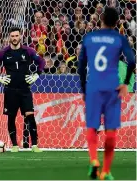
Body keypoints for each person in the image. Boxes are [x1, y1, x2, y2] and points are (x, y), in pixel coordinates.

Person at [77, 7, 135, 180]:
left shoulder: (89, 38)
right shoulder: (119, 38)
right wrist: (125, 84)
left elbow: (81, 66)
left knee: (92, 126)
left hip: (94, 86)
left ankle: (94, 160)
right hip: (112, 87)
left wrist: (84, 88)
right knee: (111, 131)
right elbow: (131, 61)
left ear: (101, 20)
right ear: (117, 22)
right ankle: (106, 171)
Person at [0, 27, 45, 153]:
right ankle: (14, 145)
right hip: (10, 90)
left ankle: (34, 145)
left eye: (16, 36)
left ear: (20, 36)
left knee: (30, 116)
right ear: (9, 37)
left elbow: (41, 62)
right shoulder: (4, 52)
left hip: (25, 90)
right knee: (11, 117)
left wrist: (36, 74)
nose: (14, 38)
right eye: (12, 36)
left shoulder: (28, 51)